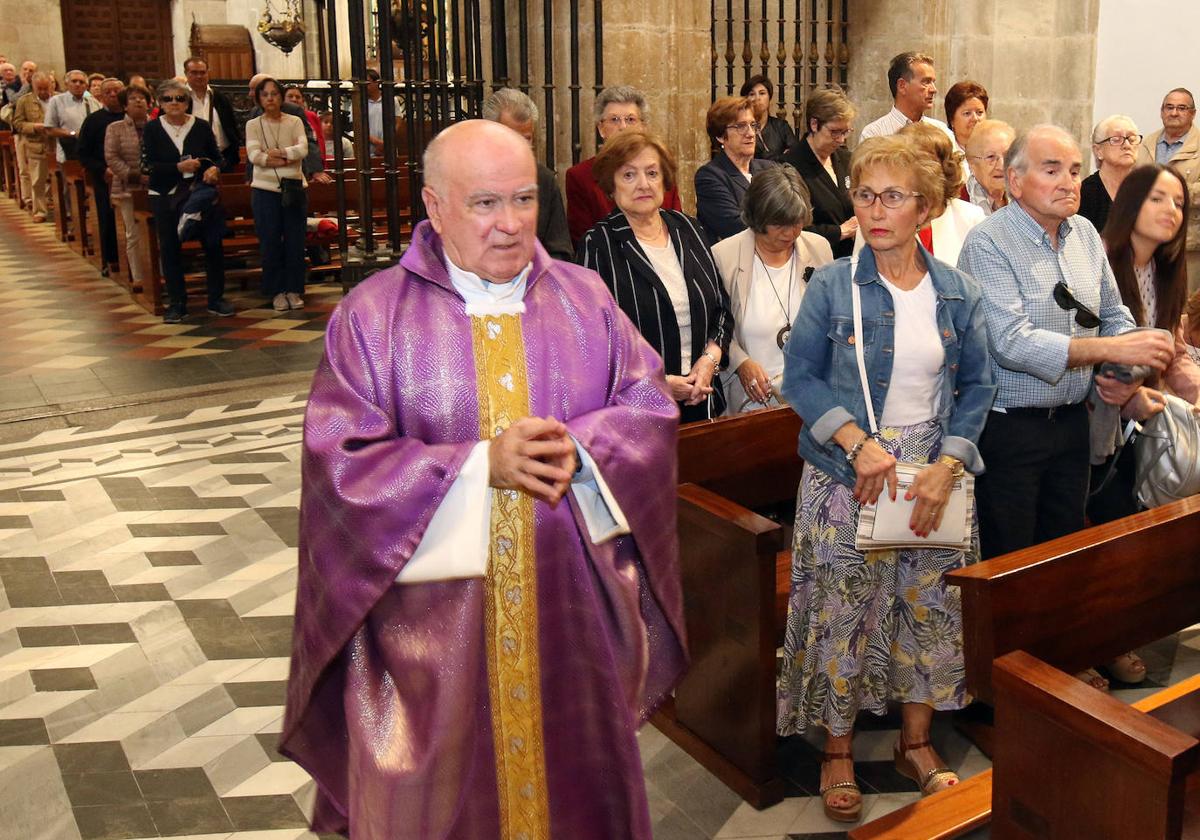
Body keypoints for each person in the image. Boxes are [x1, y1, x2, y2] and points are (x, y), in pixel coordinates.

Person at [279, 118, 686, 840]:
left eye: (525, 200)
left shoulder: (586, 298)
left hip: (572, 631)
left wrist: (579, 447)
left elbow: (648, 407)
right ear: (434, 208)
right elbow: (340, 467)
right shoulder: (372, 319)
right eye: (485, 204)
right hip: (430, 644)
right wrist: (477, 467)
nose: (510, 225)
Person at [778, 135, 996, 823]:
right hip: (850, 474)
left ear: (925, 206)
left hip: (931, 474)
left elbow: (979, 386)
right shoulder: (833, 284)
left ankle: (917, 742)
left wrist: (948, 466)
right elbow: (800, 377)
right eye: (865, 194)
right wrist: (855, 443)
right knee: (847, 612)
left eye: (893, 196)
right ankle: (838, 750)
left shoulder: (958, 291)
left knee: (926, 608)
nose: (875, 210)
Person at [957, 125, 1174, 568]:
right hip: (1010, 431)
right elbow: (1011, 343)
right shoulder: (988, 243)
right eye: (1051, 169)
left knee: (1063, 561)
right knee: (1010, 566)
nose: (1068, 182)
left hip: (1074, 425)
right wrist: (1107, 354)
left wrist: (1121, 375)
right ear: (1015, 181)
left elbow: (1116, 317)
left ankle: (1051, 641)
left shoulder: (1086, 236)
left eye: (1075, 171)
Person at [1086, 163, 1200, 688]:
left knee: (1136, 532)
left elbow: (1168, 349)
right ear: (1131, 204)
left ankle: (1119, 634)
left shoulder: (1168, 272)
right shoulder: (1103, 263)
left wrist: (1185, 381)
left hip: (1143, 422)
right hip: (1095, 425)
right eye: (1158, 198)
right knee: (1100, 533)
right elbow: (1091, 355)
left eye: (1178, 203)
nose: (1170, 211)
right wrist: (1131, 395)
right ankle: (1096, 643)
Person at [578, 130, 733, 421]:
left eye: (652, 173)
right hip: (636, 414)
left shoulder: (690, 229)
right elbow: (591, 342)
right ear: (611, 184)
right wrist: (656, 383)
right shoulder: (597, 243)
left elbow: (722, 311)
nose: (643, 184)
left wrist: (710, 360)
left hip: (704, 401)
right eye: (628, 175)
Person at [711, 165, 832, 413]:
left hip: (813, 397)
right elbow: (715, 327)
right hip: (751, 404)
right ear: (758, 217)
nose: (790, 233)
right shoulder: (724, 257)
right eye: (780, 224)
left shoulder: (819, 249)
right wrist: (741, 362)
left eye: (797, 222)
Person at [141, 79, 232, 323]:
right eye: (168, 99)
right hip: (165, 194)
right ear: (160, 103)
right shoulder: (152, 129)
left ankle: (216, 299)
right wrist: (177, 167)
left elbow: (218, 158)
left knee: (212, 245)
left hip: (198, 194)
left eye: (180, 99)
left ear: (187, 102)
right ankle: (177, 302)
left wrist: (214, 170)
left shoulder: (201, 127)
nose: (174, 103)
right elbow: (146, 165)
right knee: (170, 248)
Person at [565, 85, 681, 246]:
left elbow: (675, 225)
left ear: (643, 126)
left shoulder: (660, 167)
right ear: (601, 128)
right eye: (614, 119)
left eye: (630, 119)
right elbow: (582, 240)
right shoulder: (580, 176)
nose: (623, 127)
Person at [482, 87, 573, 260]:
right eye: (510, 136)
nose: (519, 147)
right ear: (489, 131)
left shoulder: (544, 180)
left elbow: (561, 251)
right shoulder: (469, 177)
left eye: (526, 138)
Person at [246, 77, 309, 312]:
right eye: (265, 94)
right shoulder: (253, 125)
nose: (270, 98)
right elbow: (254, 156)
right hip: (264, 190)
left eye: (274, 94)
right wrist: (271, 158)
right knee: (270, 241)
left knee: (295, 241)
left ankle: (294, 289)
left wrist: (280, 153)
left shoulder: (294, 121)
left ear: (281, 97)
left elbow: (302, 148)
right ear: (259, 99)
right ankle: (276, 291)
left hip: (293, 187)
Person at [893, 121, 985, 266]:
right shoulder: (877, 216)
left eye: (927, 164)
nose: (919, 172)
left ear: (945, 168)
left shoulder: (971, 217)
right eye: (908, 163)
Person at [1137, 88, 1200, 293]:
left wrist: (1171, 192)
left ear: (1193, 113)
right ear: (1162, 111)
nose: (1174, 113)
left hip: (1187, 244)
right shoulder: (1146, 144)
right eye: (1169, 107)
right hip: (1145, 242)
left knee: (1181, 306)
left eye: (1181, 108)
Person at [783, 87, 858, 258]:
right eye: (834, 132)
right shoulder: (790, 165)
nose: (841, 139)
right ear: (814, 124)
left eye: (845, 132)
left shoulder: (847, 159)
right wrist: (839, 231)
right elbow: (790, 226)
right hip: (816, 260)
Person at [695, 96, 776, 241]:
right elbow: (736, 226)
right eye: (741, 126)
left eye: (753, 125)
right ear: (720, 136)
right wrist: (780, 225)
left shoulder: (770, 169)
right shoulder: (710, 176)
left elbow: (793, 210)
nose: (750, 133)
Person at [77, 77, 125, 279]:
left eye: (117, 91)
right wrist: (102, 169)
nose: (113, 95)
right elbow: (83, 153)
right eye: (108, 92)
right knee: (108, 218)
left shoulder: (134, 117)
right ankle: (110, 260)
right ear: (102, 96)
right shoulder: (93, 121)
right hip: (105, 178)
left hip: (131, 177)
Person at [104, 85, 151, 288]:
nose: (138, 101)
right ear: (125, 105)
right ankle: (138, 275)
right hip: (127, 187)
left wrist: (153, 175)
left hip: (154, 186)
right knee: (133, 232)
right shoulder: (115, 128)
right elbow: (112, 157)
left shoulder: (157, 125)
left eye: (142, 98)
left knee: (155, 231)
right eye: (133, 99)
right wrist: (135, 176)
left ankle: (158, 272)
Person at [246, 73, 327, 184]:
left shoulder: (294, 112)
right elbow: (252, 153)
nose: (250, 94)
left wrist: (316, 170)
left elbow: (307, 142)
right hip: (263, 179)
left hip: (291, 176)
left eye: (253, 89)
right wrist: (249, 177)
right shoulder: (254, 113)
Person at [858, 51, 956, 144]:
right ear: (902, 86)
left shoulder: (942, 132)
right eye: (926, 82)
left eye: (933, 82)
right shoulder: (874, 134)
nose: (934, 90)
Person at [1078, 115, 1142, 234]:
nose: (1127, 145)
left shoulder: (1146, 189)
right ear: (1098, 151)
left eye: (1132, 139)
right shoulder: (1085, 193)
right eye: (1116, 139)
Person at [182, 57, 240, 172]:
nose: (199, 76)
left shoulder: (220, 98)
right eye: (194, 72)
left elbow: (232, 128)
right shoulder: (179, 98)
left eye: (202, 72)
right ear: (186, 73)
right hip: (191, 163)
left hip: (222, 161)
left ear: (208, 73)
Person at [11, 72, 53, 222]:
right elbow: (18, 123)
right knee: (38, 181)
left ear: (51, 85)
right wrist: (34, 126)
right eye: (39, 89)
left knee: (59, 180)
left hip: (56, 145)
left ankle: (63, 209)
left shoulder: (58, 99)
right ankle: (40, 211)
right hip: (37, 145)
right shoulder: (24, 101)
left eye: (46, 88)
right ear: (33, 87)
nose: (43, 92)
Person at [44, 69, 100, 162]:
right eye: (74, 81)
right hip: (67, 153)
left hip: (90, 154)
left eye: (81, 82)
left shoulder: (93, 103)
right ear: (66, 84)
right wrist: (72, 134)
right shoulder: (56, 101)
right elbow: (49, 129)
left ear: (86, 86)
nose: (78, 84)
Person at [741, 73, 798, 162]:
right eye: (752, 94)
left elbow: (795, 156)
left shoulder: (781, 126)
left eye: (762, 93)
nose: (757, 98)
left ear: (770, 98)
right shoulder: (741, 129)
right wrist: (781, 157)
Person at [964, 119, 1015, 216]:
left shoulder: (1025, 200)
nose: (1001, 166)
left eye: (1008, 155)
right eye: (991, 157)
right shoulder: (959, 203)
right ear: (972, 163)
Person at [284, 84, 325, 159]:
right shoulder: (279, 117)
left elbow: (319, 141)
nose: (294, 99)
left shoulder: (311, 116)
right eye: (290, 96)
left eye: (298, 97)